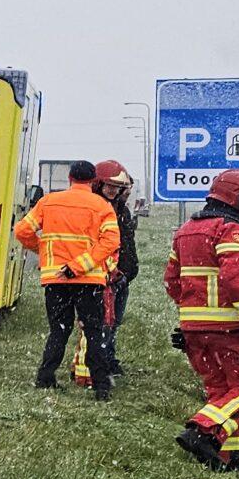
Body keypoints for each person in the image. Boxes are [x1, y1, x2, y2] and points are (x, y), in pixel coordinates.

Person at [163, 170, 239, 470]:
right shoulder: (229, 229)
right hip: (230, 329)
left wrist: (193, 314)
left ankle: (229, 458)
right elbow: (235, 280)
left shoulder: (185, 230)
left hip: (194, 331)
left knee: (223, 393)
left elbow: (171, 281)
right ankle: (202, 432)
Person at [15, 159, 120, 398]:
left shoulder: (48, 201)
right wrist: (79, 266)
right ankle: (101, 386)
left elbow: (22, 231)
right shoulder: (102, 206)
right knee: (93, 332)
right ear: (93, 181)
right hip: (89, 281)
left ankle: (45, 377)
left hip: (56, 280)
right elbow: (111, 242)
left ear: (70, 178)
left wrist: (43, 251)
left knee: (59, 330)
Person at [74, 160, 139, 385]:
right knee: (99, 325)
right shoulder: (95, 209)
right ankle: (96, 367)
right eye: (110, 186)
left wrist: (126, 272)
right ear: (98, 184)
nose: (114, 190)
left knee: (112, 323)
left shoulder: (122, 211)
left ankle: (108, 360)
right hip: (101, 277)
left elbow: (127, 243)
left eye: (118, 187)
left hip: (121, 277)